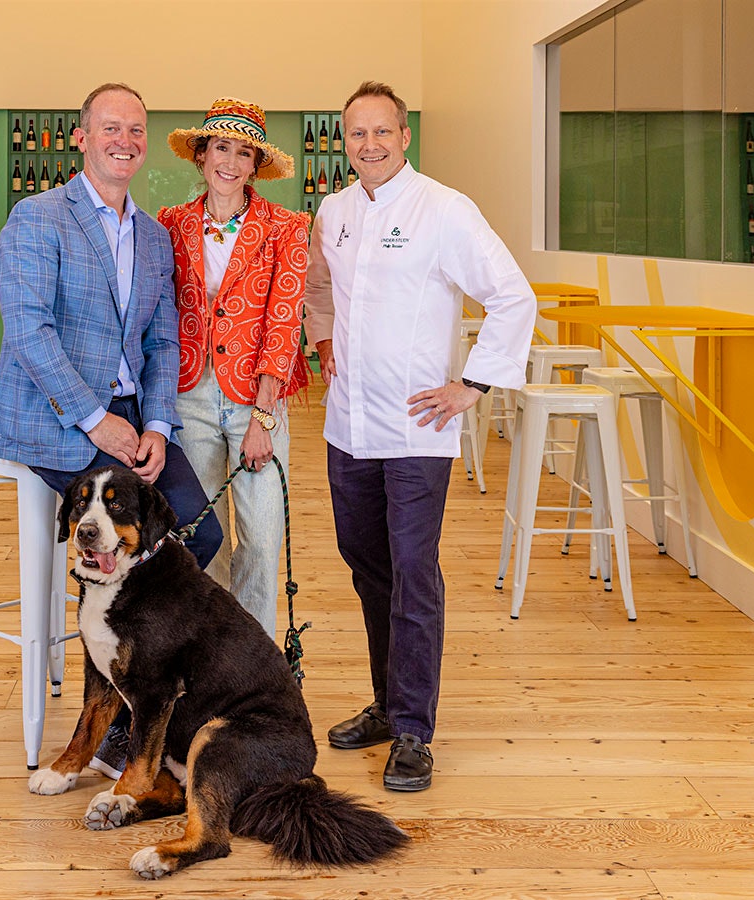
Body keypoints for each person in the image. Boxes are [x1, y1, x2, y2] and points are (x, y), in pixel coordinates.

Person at [0, 81, 223, 778]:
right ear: (81, 138)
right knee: (111, 543)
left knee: (198, 533)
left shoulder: (151, 236)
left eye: (136, 131)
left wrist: (154, 424)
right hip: (57, 421)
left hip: (128, 423)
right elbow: (29, 332)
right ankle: (117, 713)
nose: (125, 140)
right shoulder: (36, 218)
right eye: (110, 128)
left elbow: (161, 344)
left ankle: (131, 696)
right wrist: (98, 422)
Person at [304, 81, 538, 792]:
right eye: (356, 134)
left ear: (404, 136)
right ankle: (385, 702)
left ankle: (412, 730)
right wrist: (322, 342)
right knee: (367, 569)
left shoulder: (444, 209)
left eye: (382, 132)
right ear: (343, 141)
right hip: (347, 426)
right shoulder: (334, 211)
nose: (368, 145)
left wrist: (473, 384)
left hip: (416, 430)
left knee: (413, 574)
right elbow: (318, 287)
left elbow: (512, 295)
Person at [157, 98, 310, 637]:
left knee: (263, 540)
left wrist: (263, 416)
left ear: (255, 166)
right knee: (202, 535)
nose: (231, 161)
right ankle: (209, 657)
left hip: (256, 397)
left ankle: (257, 664)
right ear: (201, 156)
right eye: (221, 147)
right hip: (189, 393)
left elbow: (285, 318)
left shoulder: (287, 228)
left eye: (244, 153)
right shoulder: (171, 224)